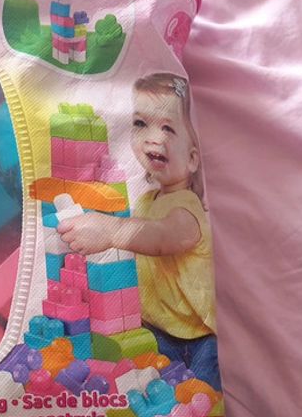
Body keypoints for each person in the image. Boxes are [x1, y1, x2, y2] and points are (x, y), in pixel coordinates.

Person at [57, 72, 221, 391]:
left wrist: (112, 231)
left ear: (192, 159)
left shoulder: (187, 206)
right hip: (156, 330)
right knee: (162, 397)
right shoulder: (147, 201)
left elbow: (163, 237)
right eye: (141, 124)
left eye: (168, 128)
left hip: (198, 338)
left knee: (202, 396)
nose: (152, 138)